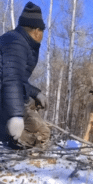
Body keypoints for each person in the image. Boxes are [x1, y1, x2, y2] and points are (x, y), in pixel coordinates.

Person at [0, 1, 49, 148]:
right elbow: (12, 78)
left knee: (33, 103)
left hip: (5, 97)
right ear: (36, 31)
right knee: (43, 134)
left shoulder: (17, 40)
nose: (42, 37)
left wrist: (36, 93)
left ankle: (9, 134)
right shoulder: (16, 43)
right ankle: (11, 138)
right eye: (42, 32)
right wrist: (16, 116)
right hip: (4, 99)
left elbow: (18, 80)